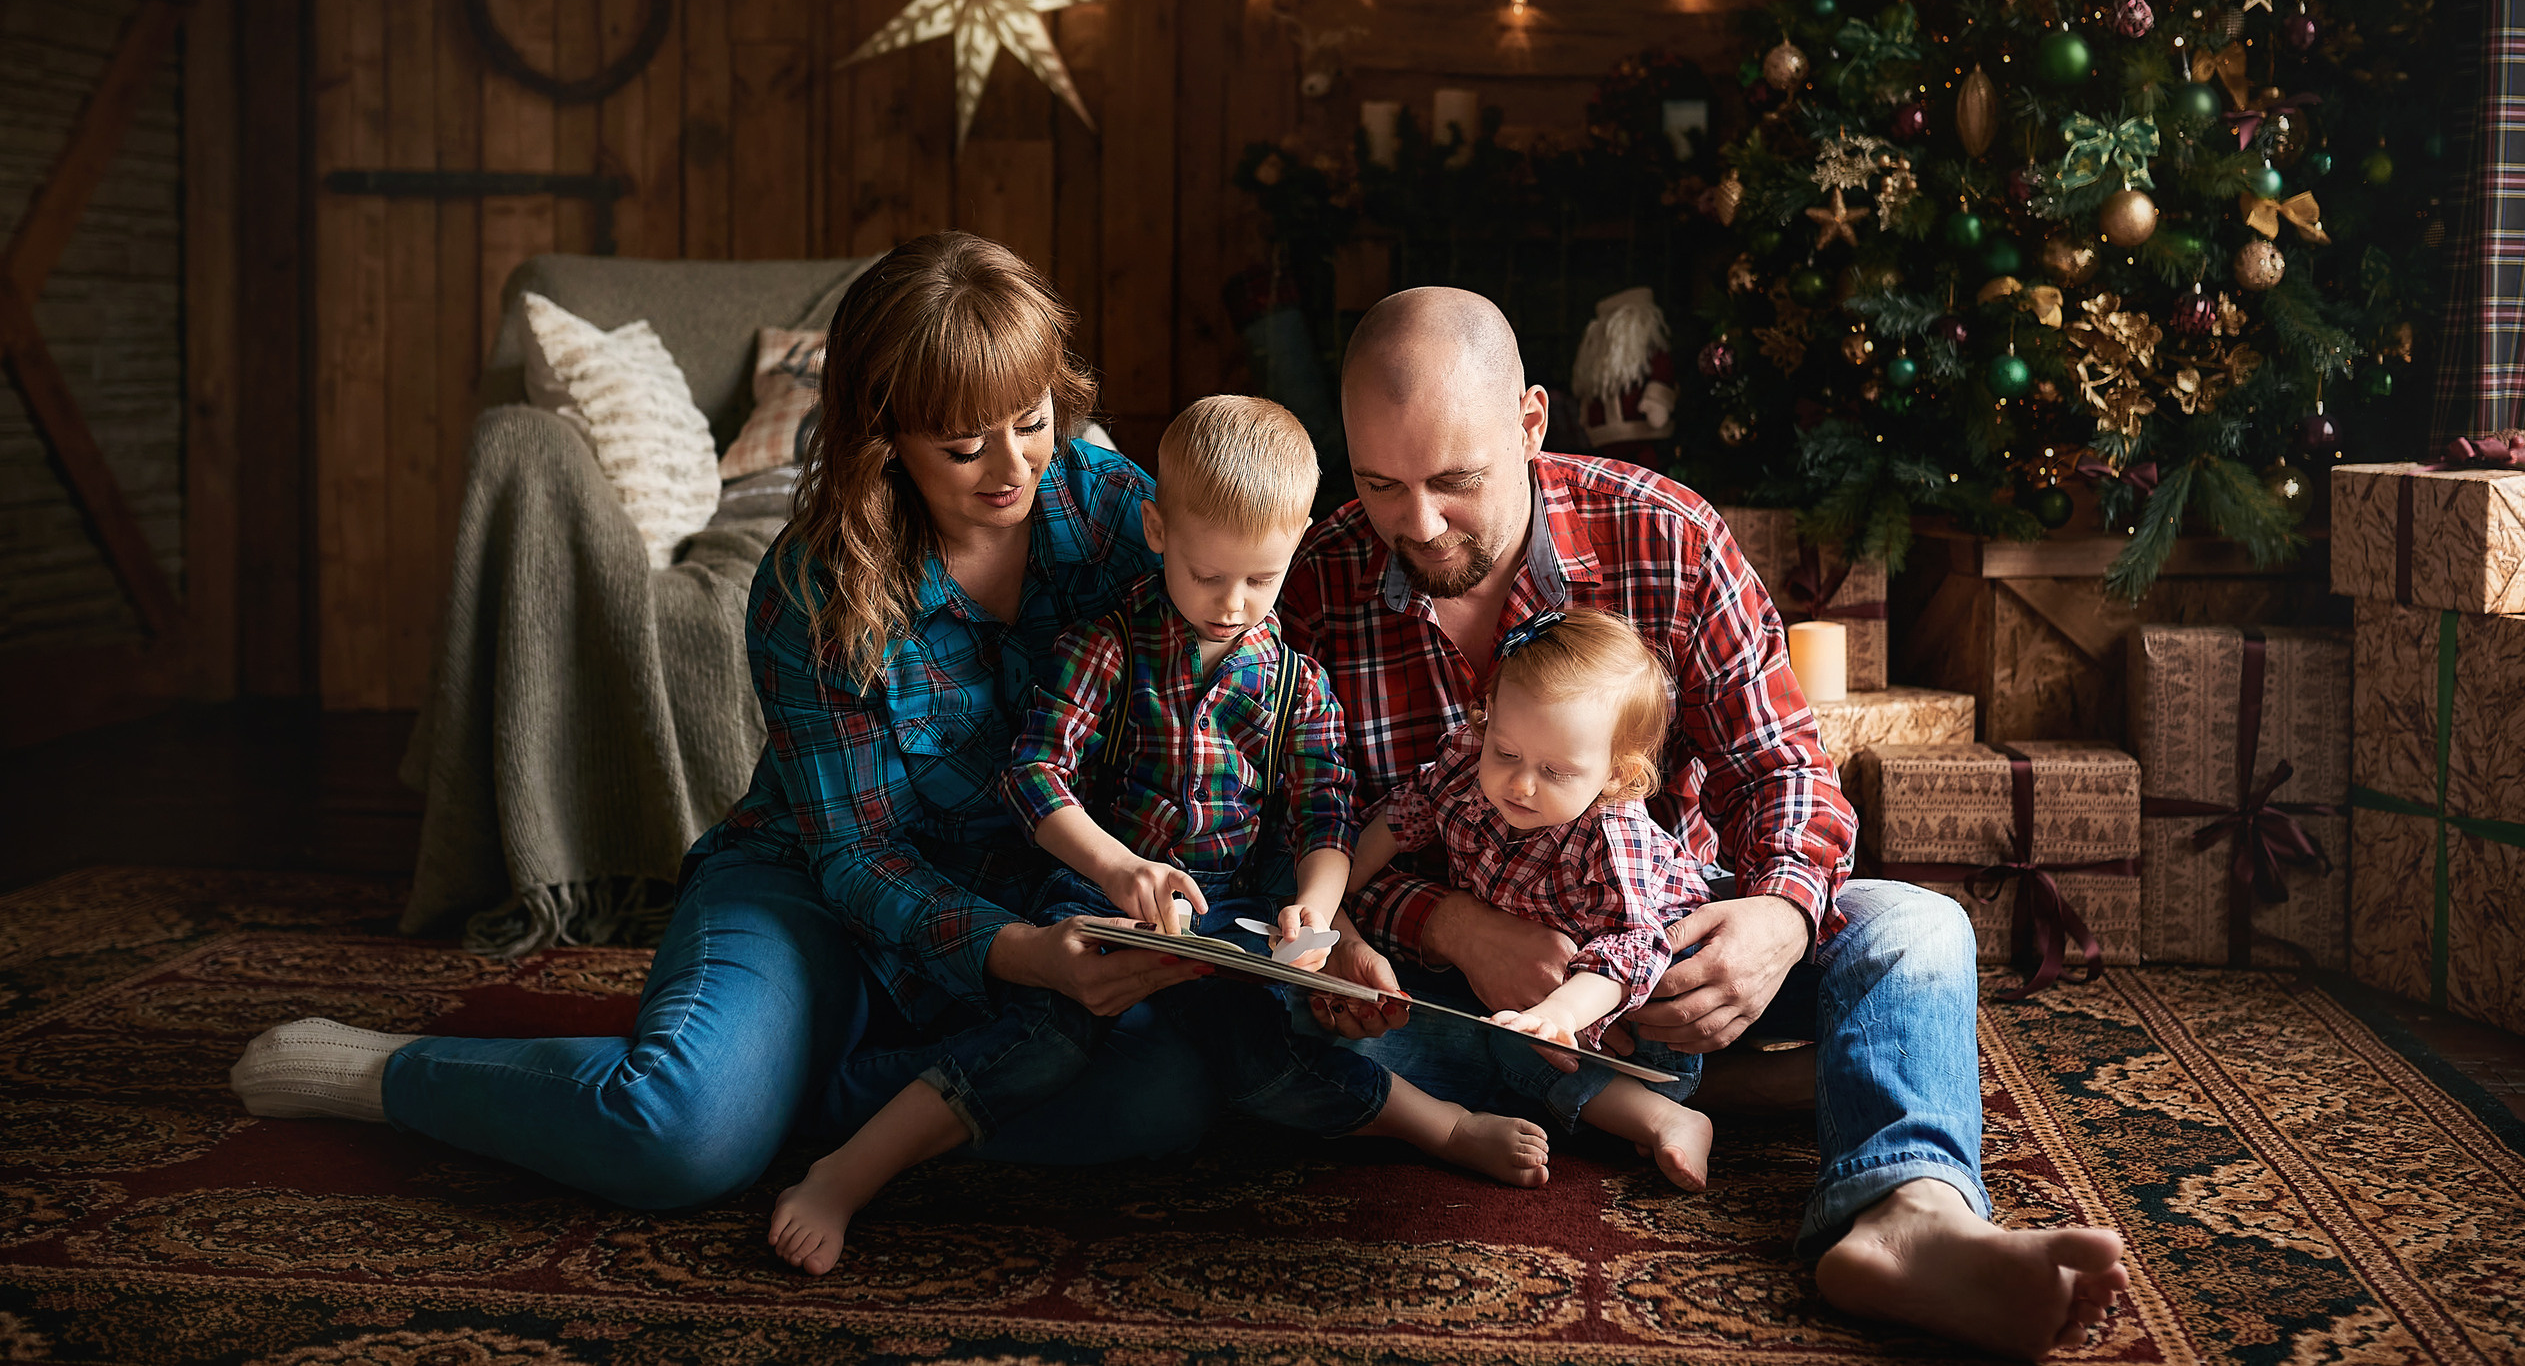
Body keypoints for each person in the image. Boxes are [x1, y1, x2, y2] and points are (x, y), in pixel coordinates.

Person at [226, 234, 1229, 1205]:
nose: (1012, 466)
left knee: (1167, 1099)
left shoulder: (1118, 514)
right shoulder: (813, 585)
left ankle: (787, 1097)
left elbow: (1239, 688)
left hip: (1035, 904)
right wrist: (1020, 954)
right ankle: (400, 1073)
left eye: (1032, 420)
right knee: (675, 1135)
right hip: (816, 898)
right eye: (964, 444)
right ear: (884, 434)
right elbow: (858, 857)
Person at [1278, 287, 2130, 1361]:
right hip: (1457, 988)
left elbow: (1783, 772)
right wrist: (1452, 927)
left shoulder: (1665, 534)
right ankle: (1715, 1089)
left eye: (1456, 480)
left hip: (1667, 931)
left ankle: (1909, 1215)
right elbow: (1325, 823)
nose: (1418, 523)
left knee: (1917, 931)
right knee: (1278, 1027)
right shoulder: (1316, 579)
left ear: (1530, 423)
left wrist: (1775, 919)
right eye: (1378, 483)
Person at [766, 394, 1547, 1275]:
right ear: (1157, 530)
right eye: (1207, 576)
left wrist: (1315, 908)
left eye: (1260, 579)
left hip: (1228, 914)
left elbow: (1324, 816)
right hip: (1099, 891)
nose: (1232, 605)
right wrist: (1117, 866)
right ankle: (846, 1171)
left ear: (1296, 547)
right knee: (1049, 1035)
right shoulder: (1110, 645)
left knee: (1262, 1059)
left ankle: (1448, 1128)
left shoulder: (1297, 682)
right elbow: (1034, 776)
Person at [1346, 605, 1719, 1190]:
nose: (1520, 784)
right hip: (1549, 983)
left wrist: (1558, 1015)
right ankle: (1638, 1102)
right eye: (1506, 753)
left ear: (1617, 775)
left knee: (1516, 1044)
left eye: (1555, 771)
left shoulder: (1609, 836)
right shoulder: (1467, 761)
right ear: (1487, 718)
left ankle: (1664, 1115)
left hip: (1647, 1005)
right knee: (1482, 1031)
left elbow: (1637, 947)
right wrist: (1337, 886)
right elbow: (1406, 814)